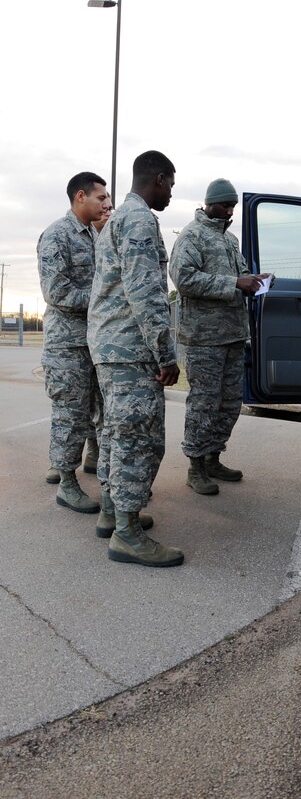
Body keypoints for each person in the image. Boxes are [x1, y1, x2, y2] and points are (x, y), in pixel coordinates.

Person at [88, 150, 184, 567]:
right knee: (138, 440)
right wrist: (166, 354)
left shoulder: (117, 220)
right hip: (131, 351)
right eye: (171, 185)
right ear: (159, 179)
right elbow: (146, 294)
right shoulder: (141, 220)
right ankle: (127, 534)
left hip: (111, 349)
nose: (171, 194)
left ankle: (112, 513)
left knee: (115, 433)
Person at [169, 178, 271, 495]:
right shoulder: (191, 236)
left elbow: (238, 278)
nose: (229, 211)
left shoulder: (230, 241)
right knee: (204, 403)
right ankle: (195, 467)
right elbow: (183, 278)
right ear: (209, 203)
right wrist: (234, 284)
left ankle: (213, 457)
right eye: (224, 205)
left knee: (229, 404)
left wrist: (255, 281)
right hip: (204, 339)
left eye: (232, 206)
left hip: (233, 335)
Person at [38, 172, 108, 513]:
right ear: (80, 196)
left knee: (97, 412)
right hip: (67, 346)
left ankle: (102, 471)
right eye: (100, 197)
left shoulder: (93, 236)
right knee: (70, 415)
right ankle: (67, 483)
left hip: (93, 342)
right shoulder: (57, 235)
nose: (105, 203)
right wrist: (103, 299)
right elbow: (56, 291)